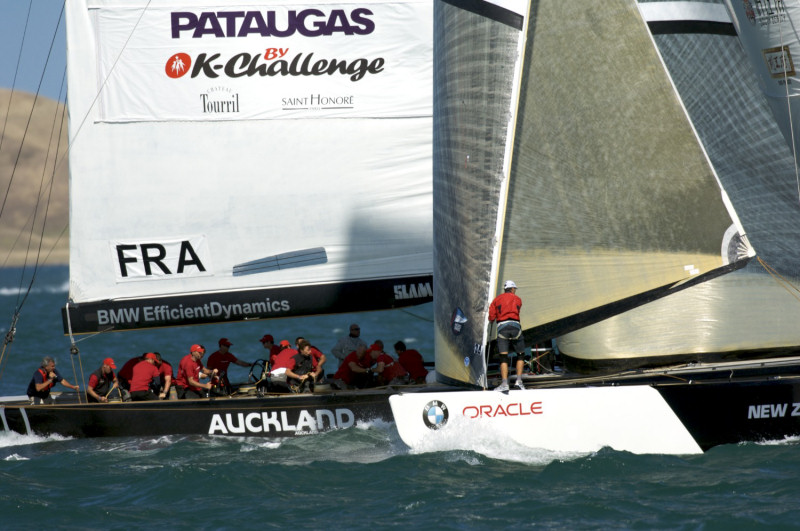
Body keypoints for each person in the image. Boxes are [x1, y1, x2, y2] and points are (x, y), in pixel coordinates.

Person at [488, 279, 526, 392]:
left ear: (505, 289)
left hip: (503, 328)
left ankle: (504, 384)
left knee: (503, 357)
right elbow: (516, 310)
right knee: (521, 355)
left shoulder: (496, 300)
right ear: (513, 289)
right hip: (516, 327)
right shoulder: (518, 299)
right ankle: (519, 381)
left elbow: (491, 318)